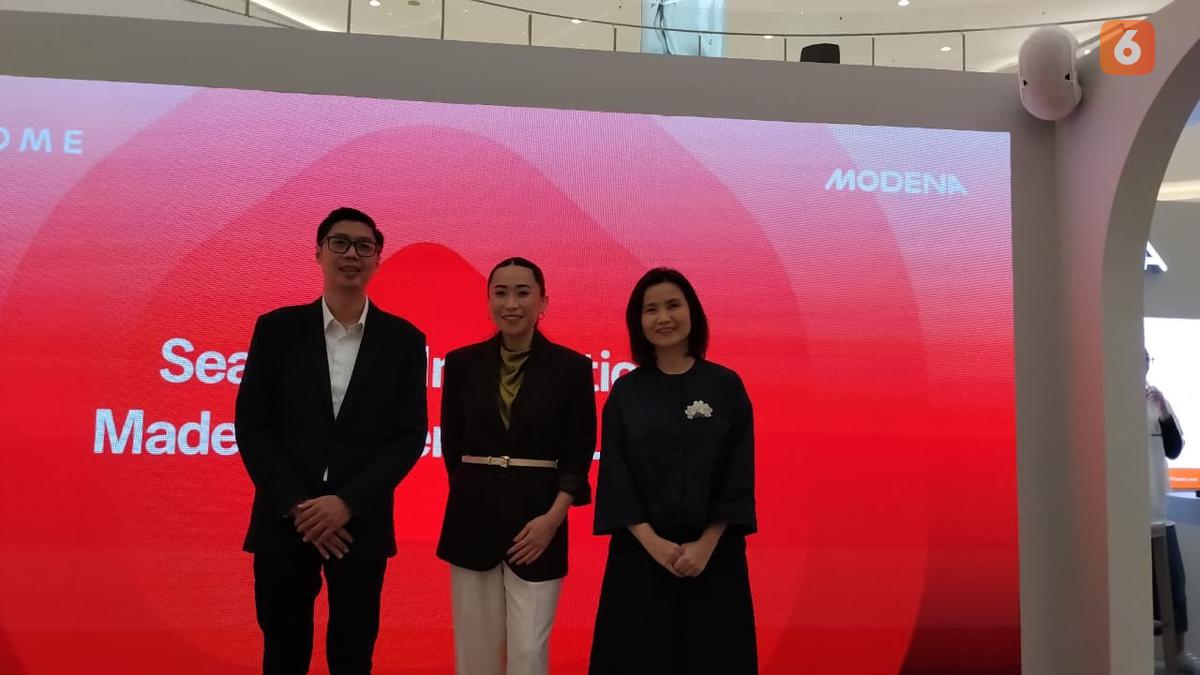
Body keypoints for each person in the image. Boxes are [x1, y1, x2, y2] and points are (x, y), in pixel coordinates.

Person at [235, 207, 428, 675]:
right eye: (339, 243)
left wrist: (347, 503)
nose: (351, 254)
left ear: (378, 258)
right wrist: (299, 506)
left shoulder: (403, 339)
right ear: (318, 253)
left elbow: (409, 435)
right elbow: (252, 426)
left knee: (353, 656)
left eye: (364, 246)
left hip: (360, 525)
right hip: (285, 522)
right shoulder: (276, 330)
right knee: (283, 654)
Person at [590, 267, 757, 674]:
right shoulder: (627, 392)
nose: (663, 317)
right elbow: (616, 476)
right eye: (651, 309)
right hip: (640, 557)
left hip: (713, 557)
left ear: (692, 313)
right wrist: (653, 543)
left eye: (672, 305)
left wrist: (705, 545)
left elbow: (737, 475)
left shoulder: (726, 386)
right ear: (638, 322)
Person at [436, 257, 596, 675]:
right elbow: (453, 446)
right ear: (488, 300)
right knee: (476, 651)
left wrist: (552, 520)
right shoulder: (461, 363)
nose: (511, 303)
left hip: (538, 525)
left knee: (528, 652)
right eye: (500, 293)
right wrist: (474, 497)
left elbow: (579, 452)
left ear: (543, 301)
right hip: (472, 522)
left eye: (523, 292)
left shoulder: (572, 368)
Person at [1145, 350, 1200, 673]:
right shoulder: (1110, 399)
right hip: (1123, 517)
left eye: (1146, 361)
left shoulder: (1157, 402)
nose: (1142, 366)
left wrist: (1164, 412)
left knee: (1173, 586)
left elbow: (1175, 449)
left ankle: (1177, 654)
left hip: (1158, 511)